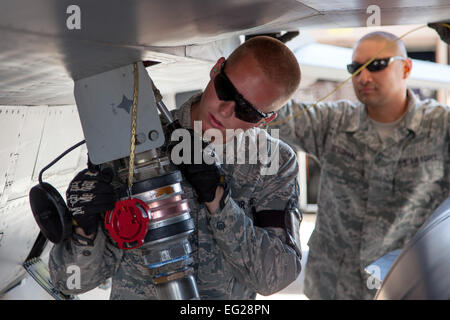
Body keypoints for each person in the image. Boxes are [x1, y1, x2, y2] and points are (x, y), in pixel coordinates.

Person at [48, 36, 303, 299]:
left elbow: (275, 277)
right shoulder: (135, 143)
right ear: (216, 69)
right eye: (226, 89)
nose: (226, 110)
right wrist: (85, 230)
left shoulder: (272, 161)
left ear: (266, 119)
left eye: (247, 111)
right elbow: (69, 282)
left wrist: (218, 200)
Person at [272, 30, 450, 299]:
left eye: (376, 65)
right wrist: (268, 55)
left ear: (406, 67)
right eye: (355, 68)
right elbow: (271, 115)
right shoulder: (334, 122)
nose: (363, 77)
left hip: (404, 287)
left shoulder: (441, 126)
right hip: (333, 287)